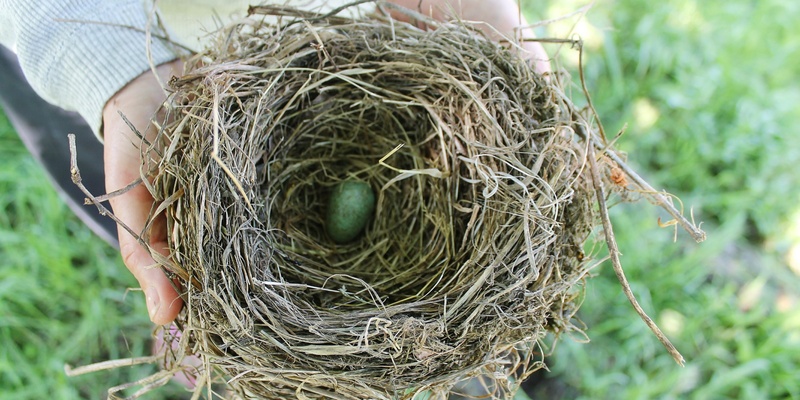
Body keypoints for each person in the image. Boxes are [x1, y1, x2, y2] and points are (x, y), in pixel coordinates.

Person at [0, 0, 550, 326]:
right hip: (134, 51)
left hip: (358, 29)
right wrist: (109, 60)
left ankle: (200, 325)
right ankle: (197, 326)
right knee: (169, 214)